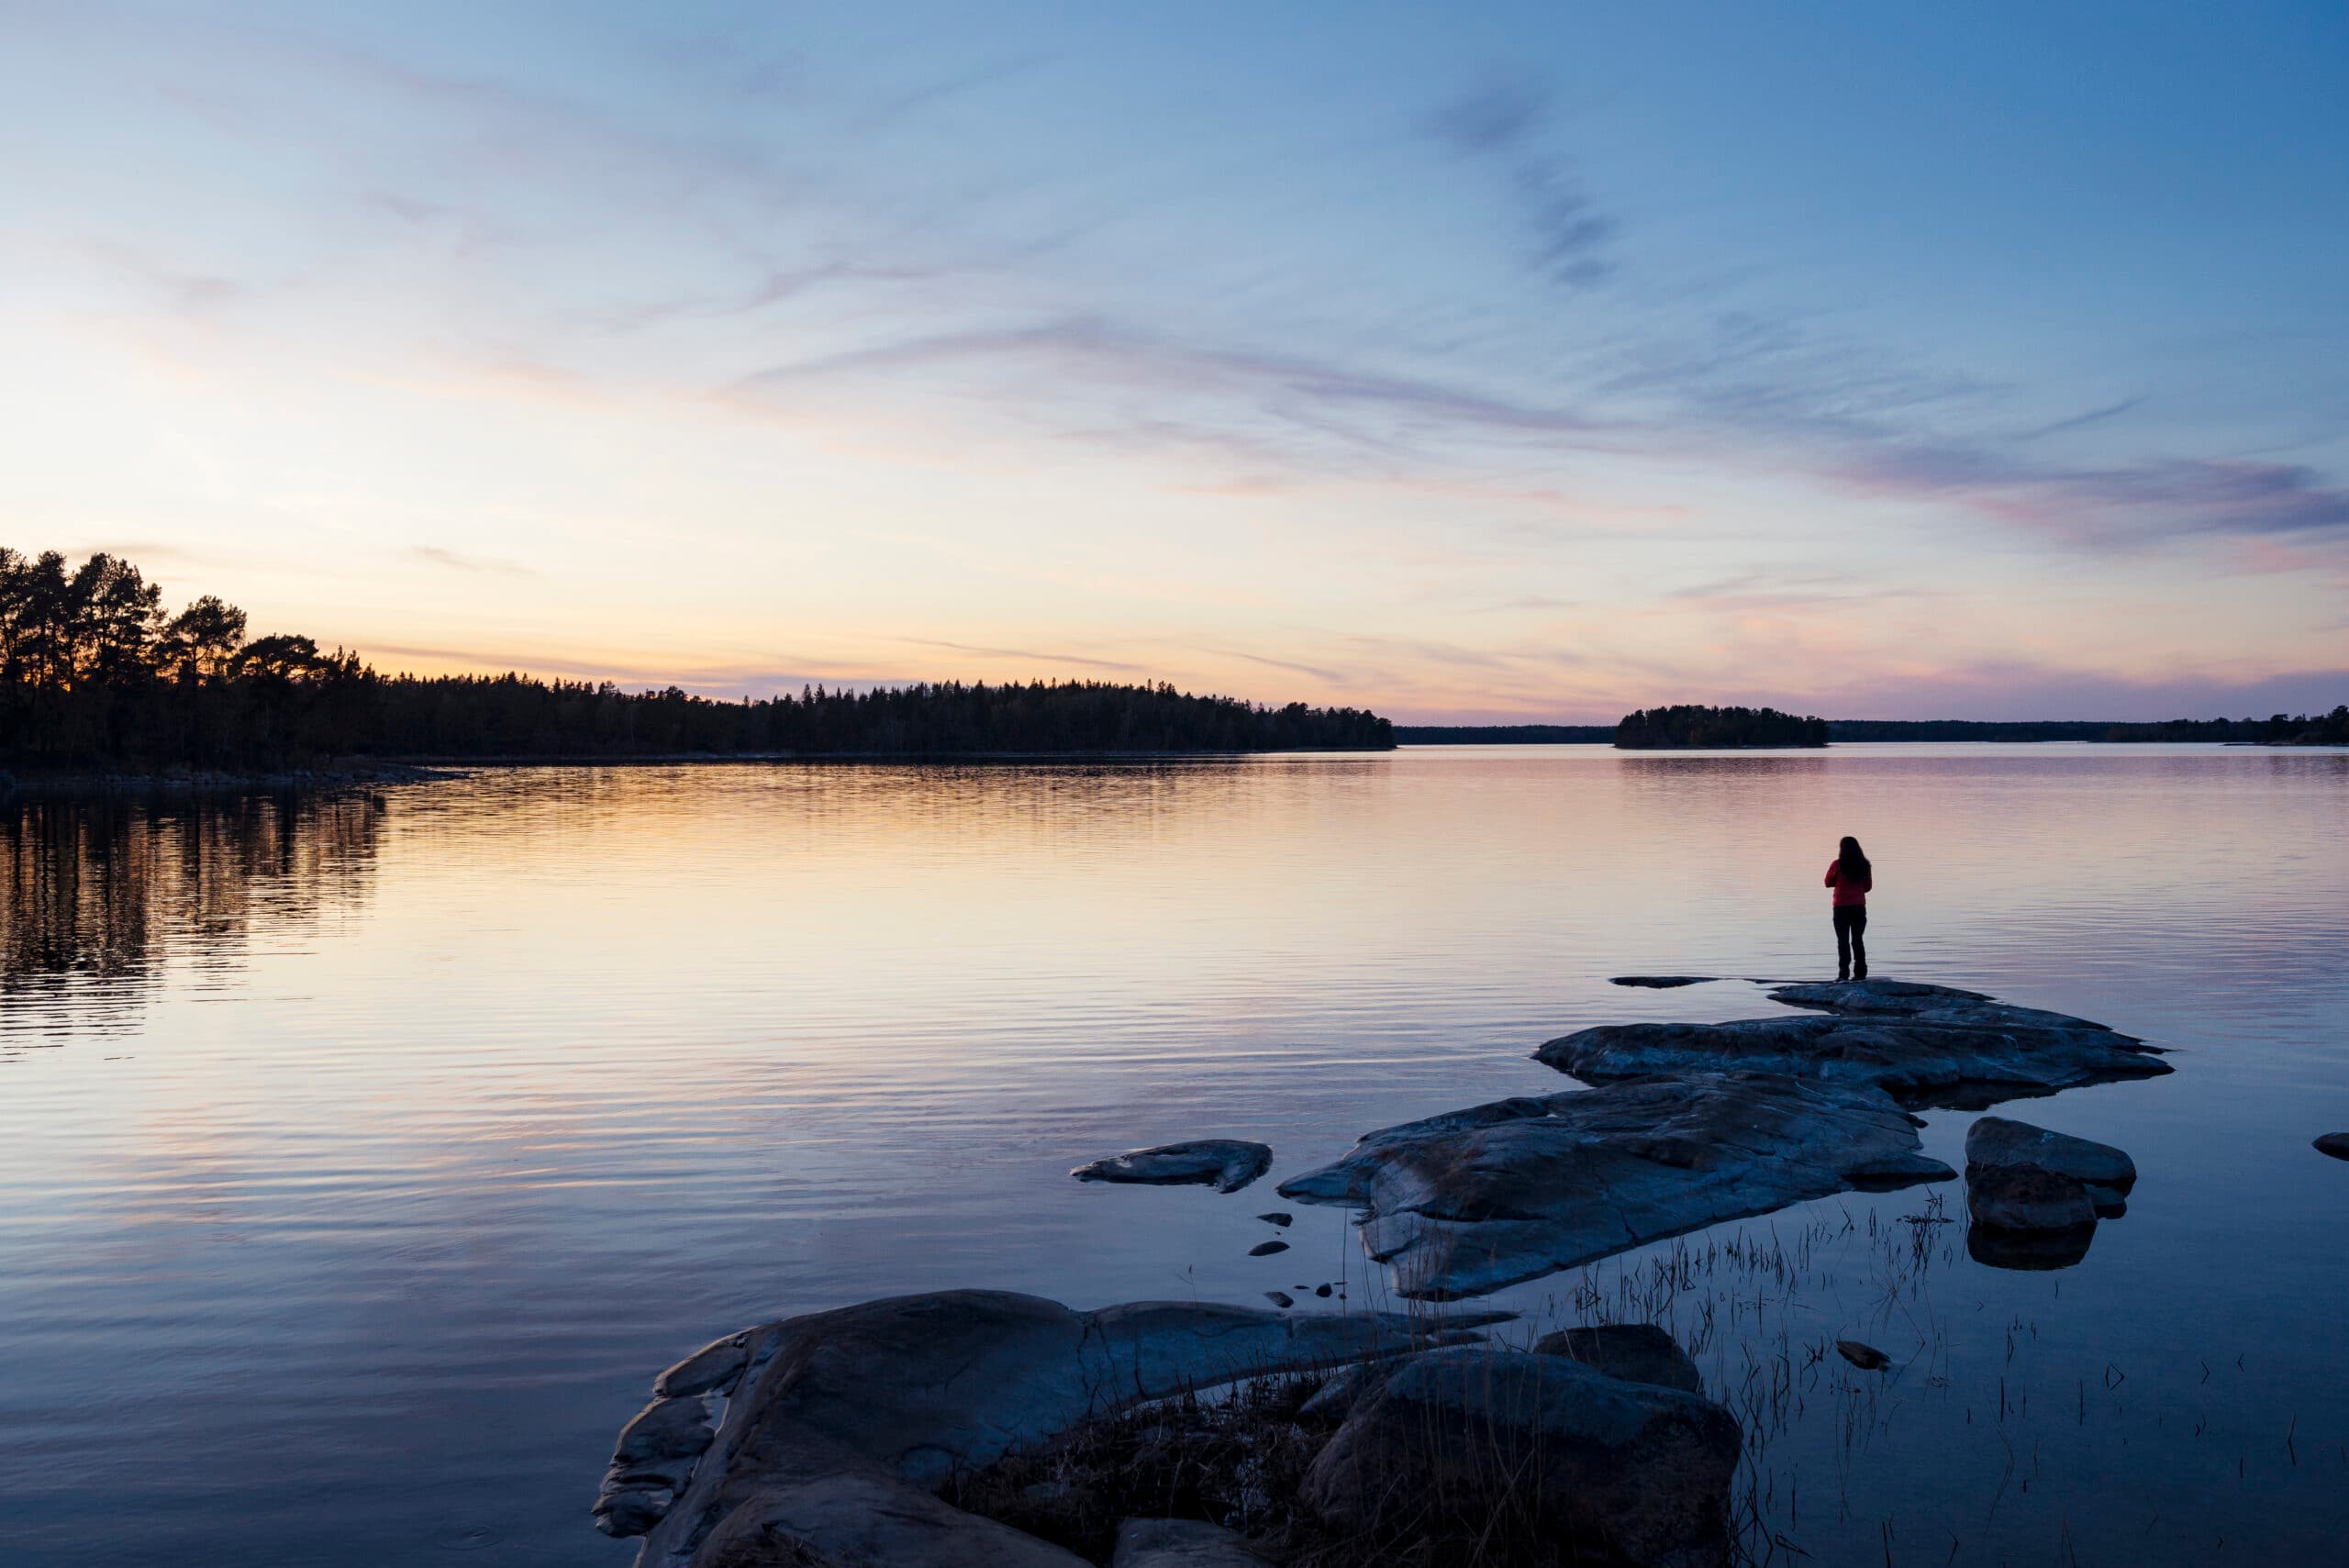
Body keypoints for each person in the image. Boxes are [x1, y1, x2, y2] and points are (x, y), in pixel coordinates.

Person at [1826, 835, 1872, 981]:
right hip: (1858, 907)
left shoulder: (1837, 865)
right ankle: (1860, 973)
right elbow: (1867, 887)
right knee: (1857, 940)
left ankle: (1843, 973)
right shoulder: (1864, 865)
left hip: (1841, 908)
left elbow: (1828, 882)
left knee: (1843, 941)